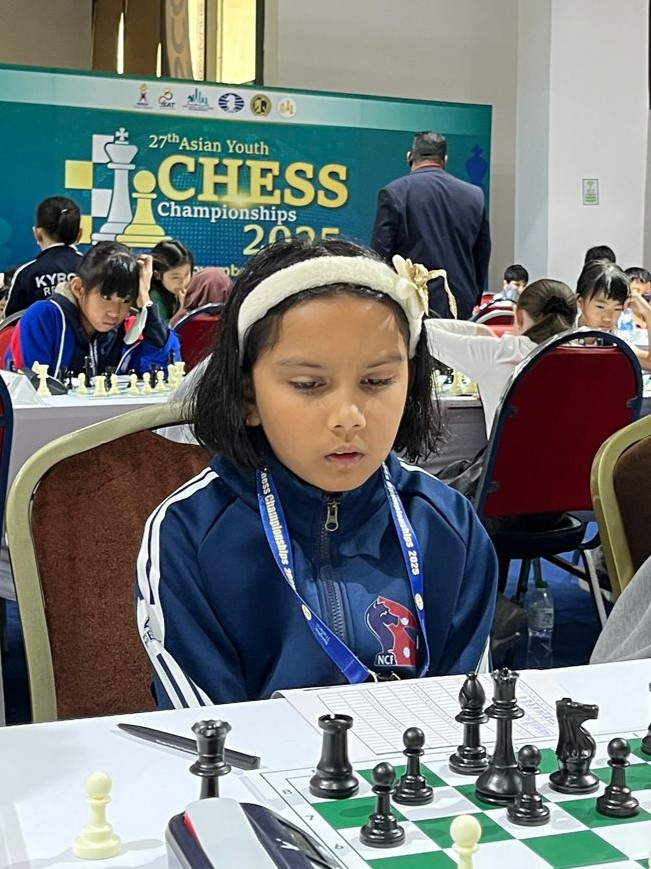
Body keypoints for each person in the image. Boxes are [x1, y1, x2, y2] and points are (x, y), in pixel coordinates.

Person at [136, 238, 498, 708]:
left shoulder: (450, 527)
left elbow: (464, 716)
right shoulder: (189, 534)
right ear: (248, 395)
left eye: (377, 381)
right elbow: (208, 737)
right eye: (309, 385)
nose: (349, 417)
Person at [6, 241, 180, 378]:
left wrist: (145, 300)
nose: (115, 312)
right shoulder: (43, 318)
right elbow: (27, 391)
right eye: (106, 297)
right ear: (78, 288)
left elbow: (165, 374)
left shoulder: (131, 328)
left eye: (126, 300)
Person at [427, 279, 577, 437]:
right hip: (575, 454)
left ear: (519, 316)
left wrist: (480, 329)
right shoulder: (588, 357)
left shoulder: (500, 353)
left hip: (513, 453)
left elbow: (427, 332)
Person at [371, 131, 491, 320]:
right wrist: (472, 296)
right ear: (445, 160)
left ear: (409, 157)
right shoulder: (475, 196)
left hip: (411, 305)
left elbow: (380, 256)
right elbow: (482, 255)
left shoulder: (394, 193)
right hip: (460, 304)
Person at [5, 196, 83, 317]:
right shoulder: (92, 268)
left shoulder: (26, 274)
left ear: (38, 233)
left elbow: (11, 322)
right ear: (80, 234)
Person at [577, 259, 651, 370]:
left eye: (617, 309)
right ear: (580, 302)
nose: (608, 318)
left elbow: (649, 363)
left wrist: (647, 312)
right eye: (600, 307)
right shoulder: (563, 335)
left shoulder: (613, 339)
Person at [149, 239, 194, 323]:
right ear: (157, 275)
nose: (183, 282)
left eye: (187, 274)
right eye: (176, 277)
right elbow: (162, 329)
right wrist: (182, 309)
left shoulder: (193, 288)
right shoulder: (154, 297)